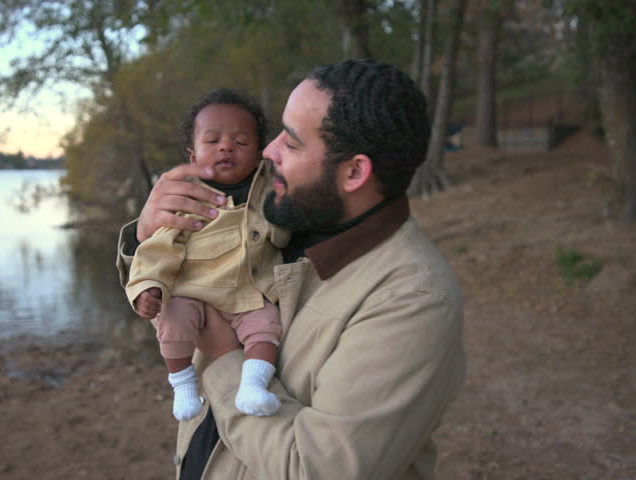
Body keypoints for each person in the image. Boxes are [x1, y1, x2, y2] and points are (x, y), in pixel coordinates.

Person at [116, 59, 466, 479]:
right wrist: (146, 237)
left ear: (354, 171)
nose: (268, 150)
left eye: (292, 143)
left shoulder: (413, 301)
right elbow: (182, 296)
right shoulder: (290, 216)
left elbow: (316, 469)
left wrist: (225, 359)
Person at [126, 88, 289, 422]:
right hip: (194, 292)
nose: (226, 147)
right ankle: (184, 385)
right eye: (213, 141)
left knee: (266, 326)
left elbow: (282, 235)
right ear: (193, 156)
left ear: (259, 155)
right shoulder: (187, 200)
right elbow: (158, 249)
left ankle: (253, 385)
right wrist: (146, 286)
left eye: (240, 142)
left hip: (248, 293)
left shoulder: (267, 195)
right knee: (172, 317)